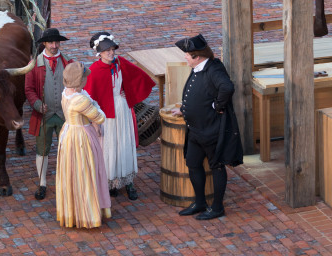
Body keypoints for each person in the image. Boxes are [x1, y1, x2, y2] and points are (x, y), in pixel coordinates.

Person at [171, 33, 243, 220]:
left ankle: (217, 207)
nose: (185, 57)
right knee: (193, 164)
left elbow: (227, 87)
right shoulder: (199, 67)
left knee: (216, 166)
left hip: (210, 130)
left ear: (197, 56)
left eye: (187, 55)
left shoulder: (214, 69)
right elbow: (199, 95)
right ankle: (200, 202)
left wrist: (217, 106)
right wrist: (185, 110)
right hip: (195, 129)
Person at [83, 31, 155, 200]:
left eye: (112, 49)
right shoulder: (94, 70)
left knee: (124, 144)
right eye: (106, 50)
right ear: (99, 52)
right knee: (108, 147)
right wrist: (94, 119)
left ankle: (128, 183)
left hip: (122, 110)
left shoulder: (121, 63)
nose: (111, 53)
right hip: (105, 115)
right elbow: (89, 96)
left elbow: (139, 77)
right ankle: (111, 182)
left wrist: (128, 93)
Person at [56, 61, 111, 228]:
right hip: (81, 137)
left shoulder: (67, 93)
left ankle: (72, 212)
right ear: (79, 81)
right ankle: (87, 214)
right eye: (84, 78)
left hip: (68, 133)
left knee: (71, 173)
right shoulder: (80, 100)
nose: (87, 80)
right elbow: (100, 117)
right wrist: (93, 103)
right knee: (85, 172)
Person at [25, 27, 73, 200]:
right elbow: (29, 89)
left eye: (57, 42)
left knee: (67, 149)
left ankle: (66, 181)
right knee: (42, 150)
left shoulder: (68, 62)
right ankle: (42, 182)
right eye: (51, 42)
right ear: (44, 43)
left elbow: (76, 85)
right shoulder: (34, 65)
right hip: (43, 116)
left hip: (64, 115)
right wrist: (37, 104)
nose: (55, 45)